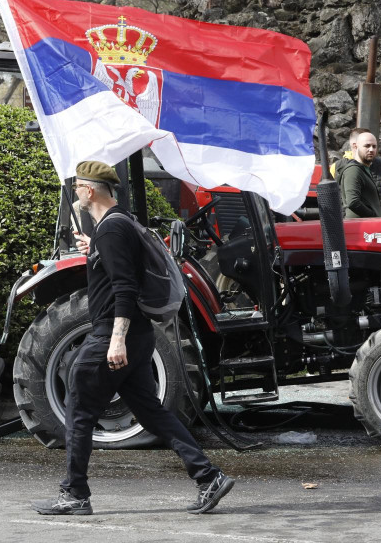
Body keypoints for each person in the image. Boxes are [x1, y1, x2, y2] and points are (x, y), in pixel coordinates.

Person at [31, 160, 234, 517]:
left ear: (89, 190)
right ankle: (209, 477)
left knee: (79, 408)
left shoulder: (111, 231)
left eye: (78, 185)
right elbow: (121, 269)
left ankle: (74, 493)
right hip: (138, 333)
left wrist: (115, 340)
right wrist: (94, 247)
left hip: (114, 332)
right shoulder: (117, 224)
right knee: (150, 411)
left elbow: (125, 288)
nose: (75, 190)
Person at [331, 128, 381, 218]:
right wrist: (373, 216)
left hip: (378, 225)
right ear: (355, 146)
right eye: (367, 145)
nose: (371, 149)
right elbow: (348, 202)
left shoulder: (380, 166)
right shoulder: (339, 167)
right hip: (351, 225)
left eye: (374, 146)